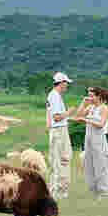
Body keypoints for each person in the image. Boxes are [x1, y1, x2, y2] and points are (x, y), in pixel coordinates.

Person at [73, 86, 108, 199]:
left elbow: (101, 124)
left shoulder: (104, 108)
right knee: (89, 164)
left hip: (99, 139)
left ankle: (103, 193)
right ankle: (94, 191)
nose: (89, 97)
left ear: (98, 96)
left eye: (91, 95)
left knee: (101, 165)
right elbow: (77, 116)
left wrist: (86, 120)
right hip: (88, 138)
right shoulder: (90, 107)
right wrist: (83, 104)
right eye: (88, 95)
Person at [46, 72, 78, 200]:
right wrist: (68, 112)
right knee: (58, 161)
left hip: (58, 130)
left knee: (63, 159)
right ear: (61, 83)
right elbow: (56, 117)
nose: (67, 86)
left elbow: (50, 117)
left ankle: (61, 191)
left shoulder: (54, 96)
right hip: (59, 131)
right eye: (66, 83)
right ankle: (56, 192)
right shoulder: (54, 96)